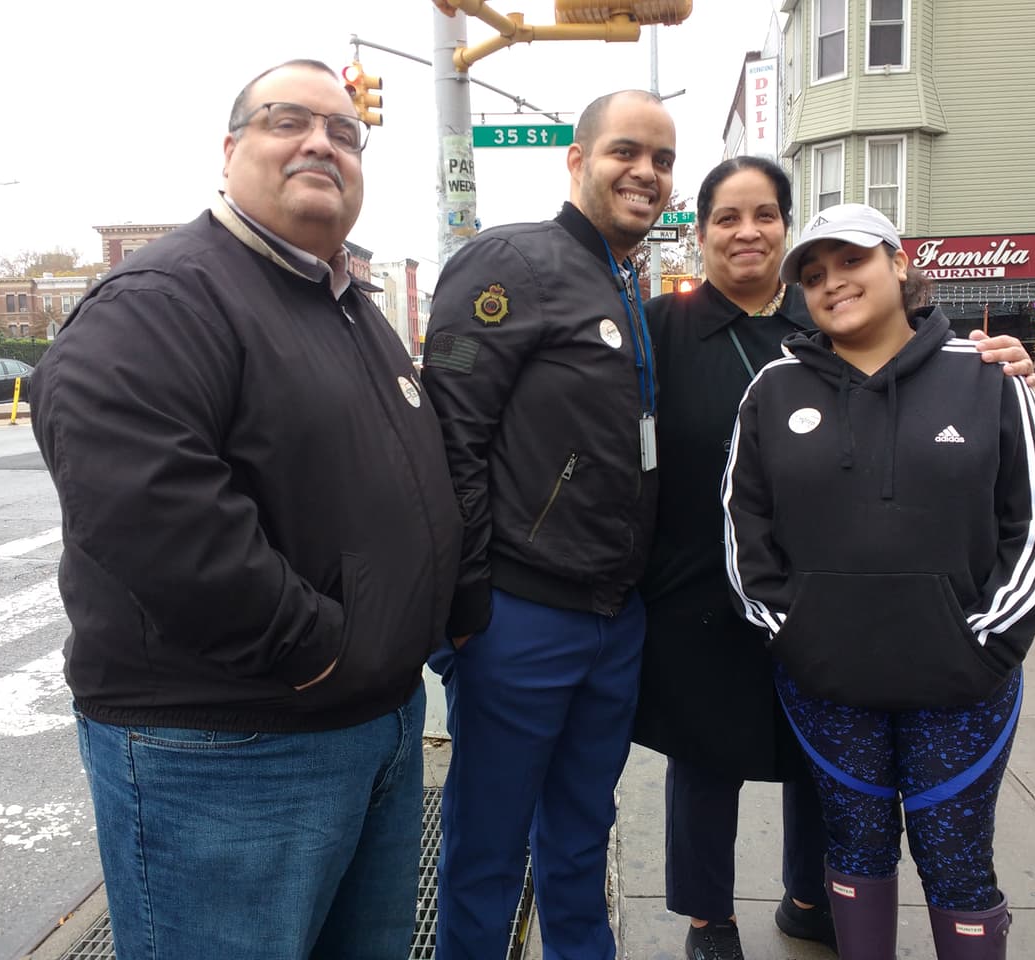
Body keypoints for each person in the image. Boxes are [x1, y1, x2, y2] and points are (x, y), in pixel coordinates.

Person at [30, 59, 462, 960]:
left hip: (368, 723)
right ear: (231, 150)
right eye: (286, 121)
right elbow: (154, 518)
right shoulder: (159, 302)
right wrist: (321, 651)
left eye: (345, 133)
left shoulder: (343, 305)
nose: (320, 143)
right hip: (231, 750)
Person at [634, 159, 1035, 960]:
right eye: (725, 217)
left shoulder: (824, 320)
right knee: (705, 763)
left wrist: (994, 364)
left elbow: (914, 371)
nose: (746, 231)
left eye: (764, 214)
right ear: (702, 230)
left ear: (785, 225)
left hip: (836, 596)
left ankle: (809, 894)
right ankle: (706, 915)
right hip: (701, 585)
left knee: (816, 768)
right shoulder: (662, 328)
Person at [722, 203, 1035, 960]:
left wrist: (988, 642)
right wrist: (797, 636)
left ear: (899, 262)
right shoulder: (772, 394)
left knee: (958, 862)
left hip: (964, 689)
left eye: (852, 261)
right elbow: (745, 533)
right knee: (854, 850)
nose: (833, 283)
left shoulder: (989, 379)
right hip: (829, 684)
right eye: (813, 275)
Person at [421, 89, 674, 960]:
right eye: (626, 152)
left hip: (613, 617)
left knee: (580, 832)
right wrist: (467, 611)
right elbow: (449, 438)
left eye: (663, 160)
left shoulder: (623, 279)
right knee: (487, 845)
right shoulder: (511, 262)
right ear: (577, 160)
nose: (646, 172)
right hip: (519, 616)